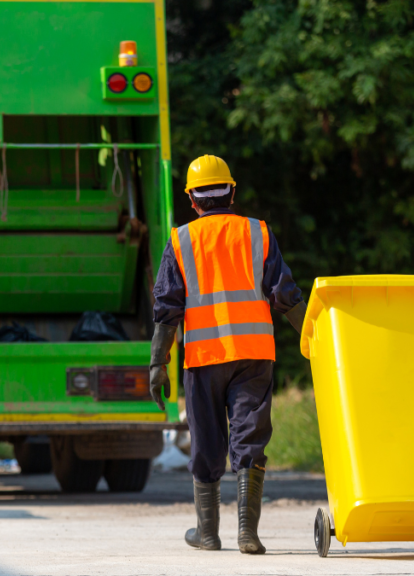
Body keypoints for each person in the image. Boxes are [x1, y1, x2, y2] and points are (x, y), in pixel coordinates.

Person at [149, 155, 306, 554]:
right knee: (249, 437)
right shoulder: (258, 233)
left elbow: (167, 309)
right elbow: (285, 296)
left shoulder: (181, 240)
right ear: (232, 192)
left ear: (192, 200)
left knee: (206, 441)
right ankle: (247, 534)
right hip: (253, 354)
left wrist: (157, 363)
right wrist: (311, 337)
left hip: (203, 357)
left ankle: (207, 533)